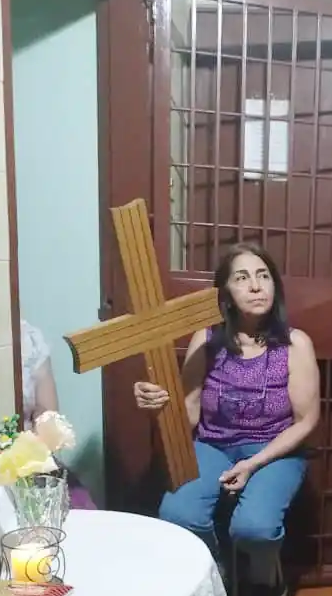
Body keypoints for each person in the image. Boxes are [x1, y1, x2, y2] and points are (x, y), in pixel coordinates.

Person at [134, 244, 320, 578]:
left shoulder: (295, 344)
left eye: (263, 276)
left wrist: (253, 463)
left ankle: (264, 571)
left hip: (274, 448)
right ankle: (214, 571)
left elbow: (306, 421)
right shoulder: (206, 339)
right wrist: (157, 407)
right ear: (226, 293)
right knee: (178, 515)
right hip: (212, 444)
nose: (256, 286)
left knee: (254, 528)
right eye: (242, 278)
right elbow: (189, 412)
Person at [20, 319, 97, 510]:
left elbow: (48, 412)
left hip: (30, 459)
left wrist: (40, 443)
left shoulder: (28, 337)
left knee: (80, 506)